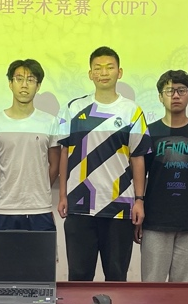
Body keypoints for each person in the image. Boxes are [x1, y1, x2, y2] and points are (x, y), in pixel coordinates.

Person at [57, 46, 149, 281]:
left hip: (119, 206)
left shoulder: (132, 111)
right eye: (98, 68)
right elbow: (64, 152)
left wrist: (139, 200)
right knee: (79, 277)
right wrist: (63, 195)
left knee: (117, 278)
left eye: (109, 67)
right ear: (90, 74)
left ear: (120, 72)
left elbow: (138, 157)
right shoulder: (73, 109)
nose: (104, 72)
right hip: (80, 204)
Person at [137, 70, 188, 282]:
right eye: (169, 91)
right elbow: (139, 175)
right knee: (151, 284)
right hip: (155, 221)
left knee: (184, 288)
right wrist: (138, 206)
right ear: (160, 96)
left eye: (181, 90)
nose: (175, 95)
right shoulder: (149, 132)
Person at [0, 59, 60, 231]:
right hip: (2, 209)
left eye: (30, 80)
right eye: (19, 79)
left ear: (38, 86)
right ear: (10, 83)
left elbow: (55, 164)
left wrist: (40, 188)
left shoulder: (50, 122)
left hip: (40, 209)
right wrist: (4, 188)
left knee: (42, 251)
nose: (24, 85)